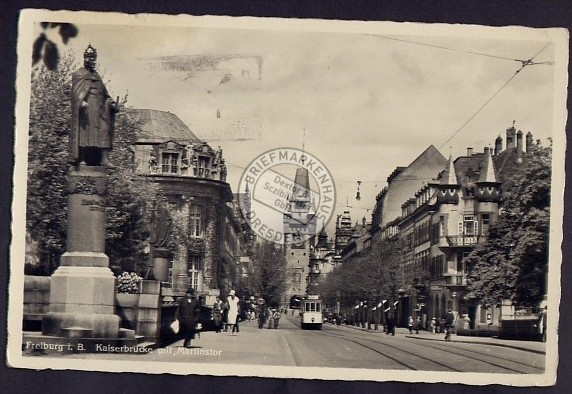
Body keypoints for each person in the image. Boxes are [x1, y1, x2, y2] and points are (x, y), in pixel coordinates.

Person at [70, 44, 118, 167]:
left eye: (94, 58)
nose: (92, 61)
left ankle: (104, 159)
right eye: (89, 58)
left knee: (104, 130)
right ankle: (80, 158)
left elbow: (105, 94)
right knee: (85, 133)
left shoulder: (97, 75)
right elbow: (75, 93)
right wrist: (81, 102)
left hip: (101, 110)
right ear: (84, 58)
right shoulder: (78, 74)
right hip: (87, 110)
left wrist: (111, 103)